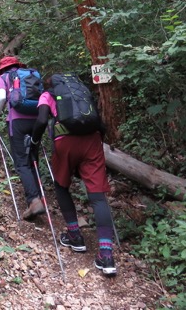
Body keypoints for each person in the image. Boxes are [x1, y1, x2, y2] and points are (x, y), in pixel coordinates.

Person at [27, 75, 118, 276]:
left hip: (65, 141)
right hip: (92, 141)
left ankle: (75, 235)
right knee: (97, 195)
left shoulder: (48, 94)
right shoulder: (82, 93)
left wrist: (33, 144)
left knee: (61, 185)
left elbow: (42, 120)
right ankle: (106, 255)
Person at [0, 56, 45, 220]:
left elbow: (1, 97)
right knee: (34, 159)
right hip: (36, 121)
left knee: (21, 162)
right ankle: (40, 197)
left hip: (17, 122)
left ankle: (34, 201)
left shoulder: (3, 77)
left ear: (2, 68)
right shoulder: (31, 74)